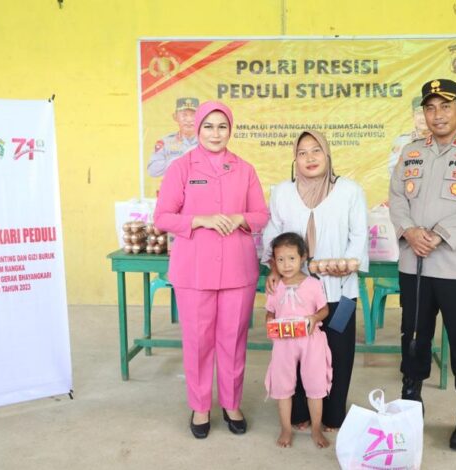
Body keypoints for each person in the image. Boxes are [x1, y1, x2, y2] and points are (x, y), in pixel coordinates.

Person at [388, 78, 456, 451]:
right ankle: (410, 401)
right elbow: (396, 197)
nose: (437, 115)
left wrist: (438, 234)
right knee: (413, 338)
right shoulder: (411, 152)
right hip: (415, 265)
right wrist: (409, 231)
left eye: (445, 106)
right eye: (430, 107)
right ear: (423, 112)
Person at [154, 100, 269, 439]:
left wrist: (239, 218)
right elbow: (162, 217)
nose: (215, 133)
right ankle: (200, 406)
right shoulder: (181, 168)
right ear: (198, 129)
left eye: (222, 127)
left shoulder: (245, 169)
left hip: (237, 269)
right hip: (193, 271)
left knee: (233, 340)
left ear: (230, 130)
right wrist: (199, 220)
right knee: (197, 341)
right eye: (208, 126)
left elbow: (261, 215)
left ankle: (232, 404)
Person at [262, 130, 368, 432]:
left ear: (327, 154)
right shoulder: (282, 192)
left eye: (316, 150)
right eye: (302, 152)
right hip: (296, 293)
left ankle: (333, 415)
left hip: (341, 291)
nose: (310, 158)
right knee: (295, 350)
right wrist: (273, 267)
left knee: (339, 351)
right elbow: (273, 233)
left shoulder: (349, 190)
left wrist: (346, 263)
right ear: (294, 159)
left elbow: (359, 234)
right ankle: (299, 413)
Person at [264, 232, 332, 449]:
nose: (286, 265)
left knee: (315, 384)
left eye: (291, 258)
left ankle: (315, 428)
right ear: (274, 261)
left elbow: (324, 309)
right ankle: (285, 428)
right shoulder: (275, 286)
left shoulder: (313, 284)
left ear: (302, 257)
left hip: (311, 341)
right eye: (280, 259)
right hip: (284, 343)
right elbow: (270, 311)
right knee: (282, 384)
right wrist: (269, 321)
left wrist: (314, 318)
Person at [147, 97, 200, 177]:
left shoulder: (208, 142)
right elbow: (153, 171)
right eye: (184, 115)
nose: (189, 119)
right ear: (175, 117)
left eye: (193, 115)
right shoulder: (165, 142)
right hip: (175, 183)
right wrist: (180, 160)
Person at [386, 96, 430, 176]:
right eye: (419, 113)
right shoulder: (403, 141)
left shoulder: (444, 140)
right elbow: (393, 170)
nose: (423, 118)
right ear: (413, 115)